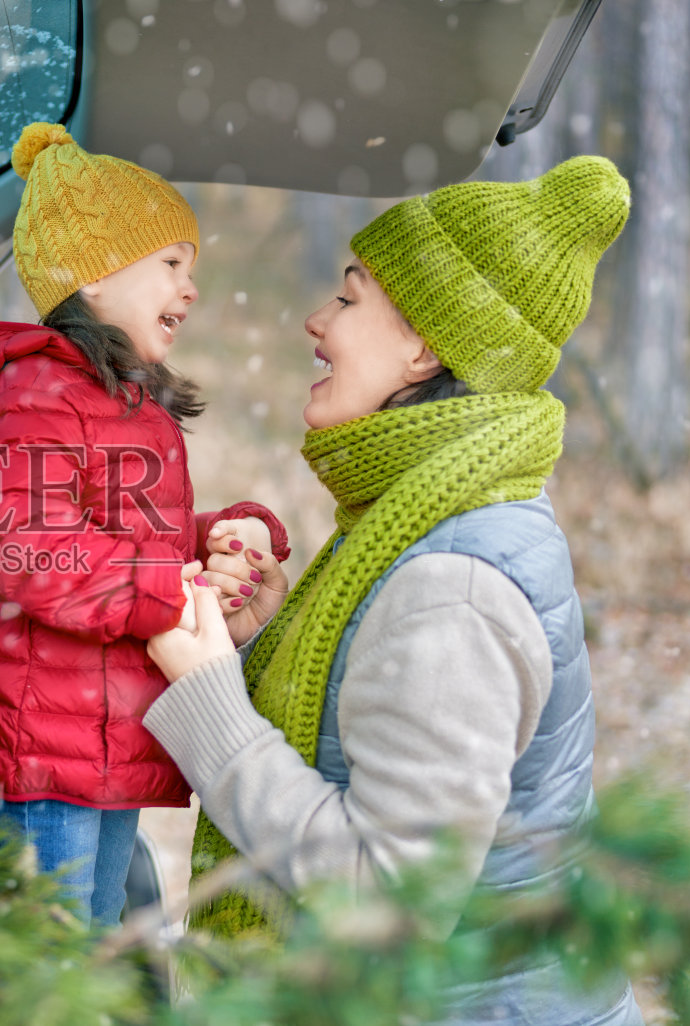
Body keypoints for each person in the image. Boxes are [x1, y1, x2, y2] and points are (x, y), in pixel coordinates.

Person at [144, 155, 645, 1023]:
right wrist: (271, 638)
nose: (316, 319)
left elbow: (385, 902)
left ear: (422, 345)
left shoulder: (454, 586)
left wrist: (211, 706)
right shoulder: (440, 514)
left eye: (347, 297)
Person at [0, 122, 290, 928]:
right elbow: (29, 552)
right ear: (87, 278)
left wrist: (220, 539)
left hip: (109, 740)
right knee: (44, 971)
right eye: (171, 265)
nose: (191, 289)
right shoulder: (29, 400)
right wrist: (167, 588)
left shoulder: (120, 403)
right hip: (43, 743)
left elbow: (125, 533)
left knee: (94, 960)